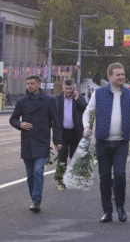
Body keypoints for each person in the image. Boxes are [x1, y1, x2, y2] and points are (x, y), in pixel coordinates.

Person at [83, 63, 130, 223]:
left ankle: (120, 207)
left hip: (121, 142)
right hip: (102, 142)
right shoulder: (99, 93)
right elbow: (88, 112)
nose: (121, 77)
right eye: (118, 74)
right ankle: (107, 211)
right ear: (110, 77)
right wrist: (86, 127)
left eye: (123, 74)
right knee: (105, 177)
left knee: (121, 174)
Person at [10, 75, 62, 213]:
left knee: (38, 170)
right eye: (27, 83)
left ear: (39, 84)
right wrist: (19, 124)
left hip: (42, 140)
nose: (29, 86)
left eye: (32, 83)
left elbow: (56, 122)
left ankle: (36, 200)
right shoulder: (22, 101)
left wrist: (58, 141)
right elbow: (13, 119)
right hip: (27, 141)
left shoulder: (49, 101)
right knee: (30, 174)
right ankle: (34, 198)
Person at [54, 79, 87, 174]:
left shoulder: (79, 98)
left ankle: (74, 177)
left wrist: (78, 100)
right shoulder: (57, 99)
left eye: (70, 88)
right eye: (66, 88)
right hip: (62, 133)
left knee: (75, 156)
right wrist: (56, 139)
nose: (68, 91)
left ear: (74, 88)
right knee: (62, 157)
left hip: (75, 133)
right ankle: (61, 179)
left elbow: (86, 109)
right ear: (63, 88)